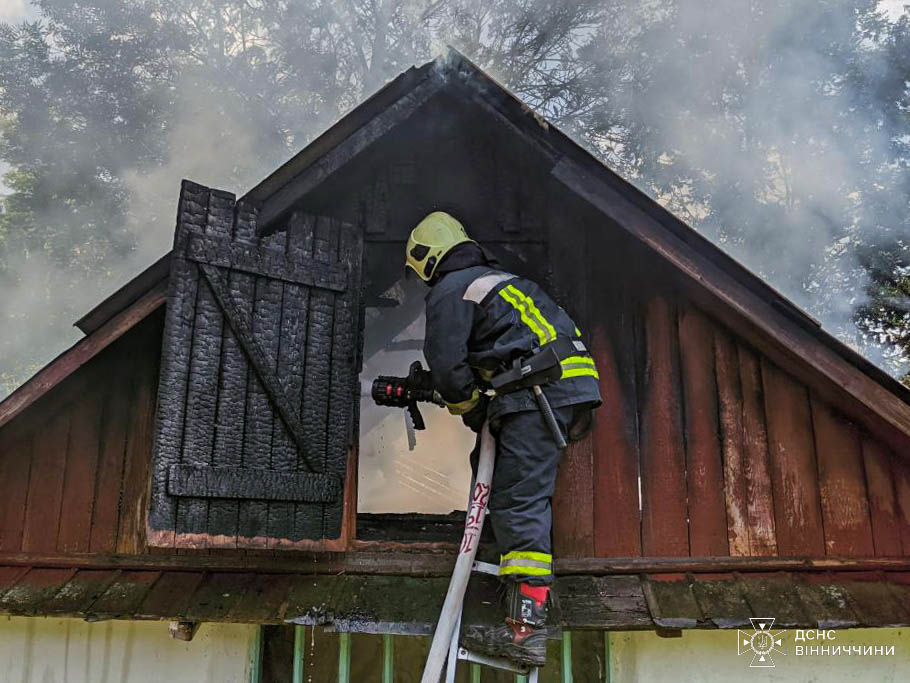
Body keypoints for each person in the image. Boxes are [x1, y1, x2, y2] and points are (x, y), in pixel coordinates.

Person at [405, 211, 602, 666]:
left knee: (517, 498)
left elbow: (449, 368)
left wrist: (471, 407)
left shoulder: (451, 289)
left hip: (539, 393)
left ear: (426, 259)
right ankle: (514, 598)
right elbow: (503, 350)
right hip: (558, 388)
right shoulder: (501, 282)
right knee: (498, 481)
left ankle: (525, 630)